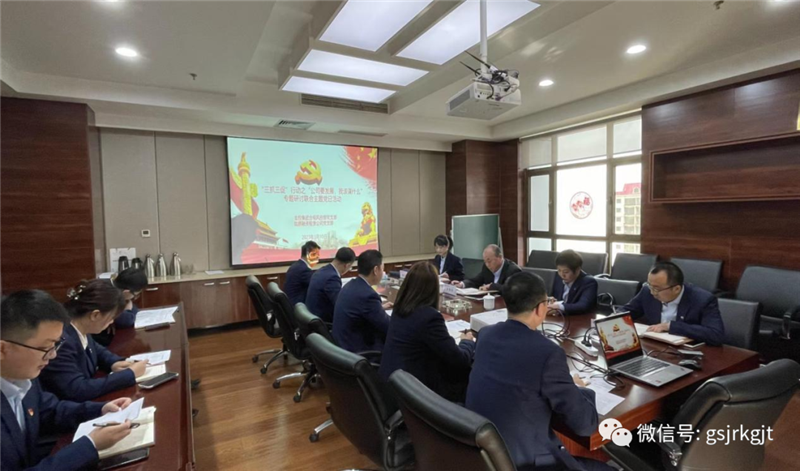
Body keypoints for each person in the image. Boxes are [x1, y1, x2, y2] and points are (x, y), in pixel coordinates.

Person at [466, 272, 612, 471]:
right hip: (526, 462)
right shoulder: (548, 353)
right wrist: (578, 388)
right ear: (541, 308)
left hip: (485, 454)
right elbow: (585, 425)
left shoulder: (485, 334)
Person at [1, 290, 135, 471]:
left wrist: (101, 409)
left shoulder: (23, 376)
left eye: (56, 345)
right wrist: (89, 446)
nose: (53, 355)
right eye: (46, 347)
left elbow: (50, 411)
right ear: (3, 349)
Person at [379, 262, 475, 402]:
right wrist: (467, 342)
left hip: (392, 383)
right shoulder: (429, 317)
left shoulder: (400, 308)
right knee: (467, 374)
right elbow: (459, 359)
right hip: (413, 393)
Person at [39, 280, 148, 401]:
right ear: (95, 315)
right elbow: (77, 389)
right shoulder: (62, 340)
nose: (112, 322)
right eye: (111, 317)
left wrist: (114, 362)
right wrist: (129, 375)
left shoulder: (79, 327)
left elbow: (96, 349)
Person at [622, 261, 725, 346]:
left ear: (676, 289)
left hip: (685, 352)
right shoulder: (647, 291)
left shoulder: (703, 299)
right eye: (650, 285)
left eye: (656, 289)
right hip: (654, 347)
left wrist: (670, 326)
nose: (652, 292)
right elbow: (626, 311)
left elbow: (716, 335)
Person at [332, 250, 393, 353]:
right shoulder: (368, 295)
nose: (383, 272)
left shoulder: (351, 285)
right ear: (376, 270)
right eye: (382, 268)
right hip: (358, 352)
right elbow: (388, 326)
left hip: (342, 346)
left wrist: (379, 308)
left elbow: (363, 310)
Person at [93, 268, 149, 347]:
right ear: (126, 292)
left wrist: (128, 306)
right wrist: (128, 309)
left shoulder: (113, 286)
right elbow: (127, 321)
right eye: (135, 295)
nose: (135, 298)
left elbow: (134, 309)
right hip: (100, 342)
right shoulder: (107, 296)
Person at [305, 247, 356, 322]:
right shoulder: (332, 278)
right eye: (350, 267)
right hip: (324, 322)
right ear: (347, 265)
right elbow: (340, 305)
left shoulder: (322, 270)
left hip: (313, 316)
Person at [547, 250, 598, 315]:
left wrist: (560, 307)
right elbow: (556, 298)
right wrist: (549, 300)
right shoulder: (558, 277)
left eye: (566, 272)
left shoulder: (589, 282)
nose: (562, 275)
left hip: (579, 319)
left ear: (577, 270)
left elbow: (583, 306)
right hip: (559, 318)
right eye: (559, 270)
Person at [451, 244, 520, 292]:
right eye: (485, 261)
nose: (487, 264)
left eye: (489, 261)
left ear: (500, 257)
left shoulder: (513, 270)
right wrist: (462, 284)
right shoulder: (486, 267)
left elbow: (511, 290)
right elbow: (476, 281)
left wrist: (492, 286)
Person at [284, 241, 321, 306]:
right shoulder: (304, 270)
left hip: (290, 302)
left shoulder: (297, 265)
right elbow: (316, 286)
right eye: (315, 254)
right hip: (297, 305)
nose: (318, 257)